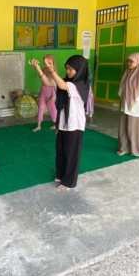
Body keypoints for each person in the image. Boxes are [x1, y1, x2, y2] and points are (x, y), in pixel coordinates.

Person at [41, 55, 90, 190]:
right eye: (66, 68)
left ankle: (69, 182)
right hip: (63, 123)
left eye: (70, 69)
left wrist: (52, 70)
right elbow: (48, 83)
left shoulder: (81, 84)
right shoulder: (68, 81)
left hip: (74, 124)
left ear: (79, 70)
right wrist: (39, 68)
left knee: (71, 154)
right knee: (61, 151)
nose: (67, 71)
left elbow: (62, 85)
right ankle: (61, 175)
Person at [29, 55, 57, 132]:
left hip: (52, 92)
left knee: (52, 108)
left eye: (49, 63)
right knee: (41, 108)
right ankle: (38, 126)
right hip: (43, 91)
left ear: (53, 63)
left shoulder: (54, 71)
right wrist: (33, 64)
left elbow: (48, 82)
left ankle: (56, 125)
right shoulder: (44, 69)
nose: (47, 65)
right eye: (45, 63)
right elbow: (38, 71)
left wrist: (54, 96)